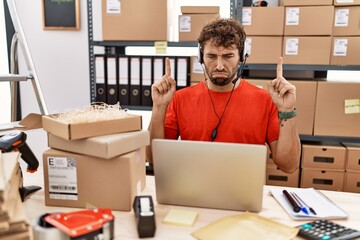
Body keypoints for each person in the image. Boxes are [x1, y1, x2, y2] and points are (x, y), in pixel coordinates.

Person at [146, 18, 300, 173]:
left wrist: (288, 110)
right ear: (201, 57)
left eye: (228, 56)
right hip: (193, 192)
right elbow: (154, 159)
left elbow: (289, 165)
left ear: (242, 56)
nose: (219, 66)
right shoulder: (180, 99)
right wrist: (159, 107)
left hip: (243, 194)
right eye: (211, 56)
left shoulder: (265, 100)